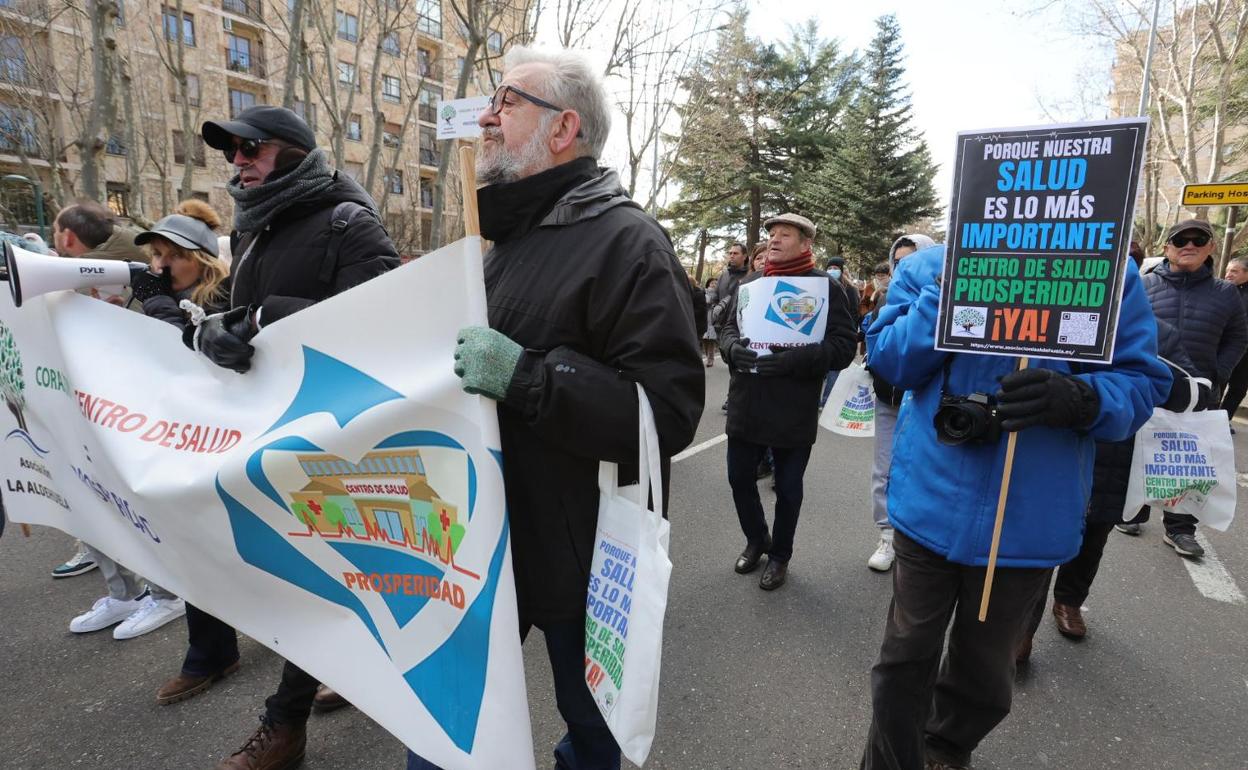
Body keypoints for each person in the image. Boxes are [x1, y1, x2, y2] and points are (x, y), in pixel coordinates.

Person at [426, 47, 704, 770]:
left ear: (562, 128)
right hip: (484, 535)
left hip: (582, 551)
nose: (486, 115)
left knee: (591, 730)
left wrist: (528, 379)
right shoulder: (502, 242)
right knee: (446, 721)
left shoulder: (629, 243)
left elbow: (665, 414)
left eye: (507, 100)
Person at [859, 243, 1169, 770]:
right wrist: (947, 293)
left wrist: (1083, 399)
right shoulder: (927, 266)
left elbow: (1142, 383)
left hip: (1027, 521)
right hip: (928, 504)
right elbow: (888, 359)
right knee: (903, 659)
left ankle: (946, 750)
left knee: (984, 671)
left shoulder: (1111, 274)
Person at [195, 104, 400, 770]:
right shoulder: (253, 230)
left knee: (326, 577)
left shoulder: (349, 221)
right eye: (231, 152)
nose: (238, 162)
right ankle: (359, 663)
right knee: (324, 578)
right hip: (272, 436)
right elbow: (234, 308)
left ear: (290, 151)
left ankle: (283, 726)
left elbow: (380, 331)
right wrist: (214, 332)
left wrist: (260, 318)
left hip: (341, 442)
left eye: (249, 149)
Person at [719, 213, 857, 591]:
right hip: (747, 400)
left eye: (785, 234)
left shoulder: (826, 288)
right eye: (772, 234)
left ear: (806, 244)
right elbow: (729, 328)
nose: (775, 240)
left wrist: (795, 359)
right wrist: (732, 349)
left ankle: (780, 555)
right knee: (738, 477)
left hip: (793, 405)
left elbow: (844, 348)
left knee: (789, 488)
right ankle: (756, 538)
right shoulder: (752, 283)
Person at [1139, 219, 1247, 558]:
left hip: (1199, 392)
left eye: (1198, 239)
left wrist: (1218, 373)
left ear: (1210, 247)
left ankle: (1180, 529)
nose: (1189, 245)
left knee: (1189, 463)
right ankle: (1133, 513)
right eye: (1180, 240)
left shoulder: (1226, 293)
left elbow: (1238, 337)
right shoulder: (1143, 286)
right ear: (1167, 247)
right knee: (1137, 453)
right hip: (1147, 386)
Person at [862, 234, 935, 572]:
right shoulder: (886, 299)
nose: (904, 268)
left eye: (913, 260)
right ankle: (887, 535)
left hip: (924, 403)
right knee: (884, 470)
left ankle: (919, 537)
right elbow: (879, 344)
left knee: (922, 470)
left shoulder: (941, 300)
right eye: (899, 262)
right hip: (888, 400)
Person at [712, 242, 749, 410]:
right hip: (723, 328)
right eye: (730, 253)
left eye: (735, 253)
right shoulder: (724, 275)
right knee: (731, 364)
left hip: (741, 327)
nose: (731, 256)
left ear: (745, 256)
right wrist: (714, 310)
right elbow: (715, 296)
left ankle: (733, 398)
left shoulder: (750, 275)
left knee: (737, 364)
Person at [1220, 255, 1248, 424]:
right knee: (1218, 383)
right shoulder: (1221, 290)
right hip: (1223, 346)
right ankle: (1208, 418)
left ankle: (1223, 421)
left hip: (1245, 354)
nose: (1229, 274)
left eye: (1234, 271)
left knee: (1238, 387)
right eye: (1228, 270)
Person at [701, 276, 718, 366]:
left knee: (711, 339)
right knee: (704, 339)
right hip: (704, 316)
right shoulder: (703, 292)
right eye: (712, 283)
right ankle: (708, 356)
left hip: (713, 317)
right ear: (708, 284)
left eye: (715, 283)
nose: (714, 285)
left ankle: (710, 359)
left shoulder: (718, 294)